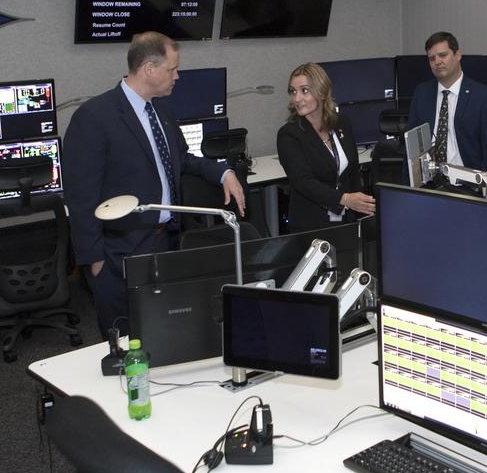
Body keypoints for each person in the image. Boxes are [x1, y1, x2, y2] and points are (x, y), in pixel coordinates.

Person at [64, 31, 245, 338]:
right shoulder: (94, 117)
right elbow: (81, 197)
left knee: (168, 334)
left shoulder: (161, 109)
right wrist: (94, 263)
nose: (178, 75)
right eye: (172, 69)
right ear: (149, 69)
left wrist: (222, 172)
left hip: (167, 243)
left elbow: (182, 159)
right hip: (119, 253)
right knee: (125, 345)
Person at [276, 63, 375, 233]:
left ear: (321, 91)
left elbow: (352, 171)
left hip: (346, 219)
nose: (297, 98)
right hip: (311, 225)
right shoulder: (289, 134)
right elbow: (303, 182)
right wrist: (344, 199)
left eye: (304, 90)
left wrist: (359, 209)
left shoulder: (341, 122)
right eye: (293, 91)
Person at [407, 31, 487, 185]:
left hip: (467, 187)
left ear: (457, 55)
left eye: (443, 55)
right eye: (432, 58)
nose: (437, 62)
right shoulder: (421, 93)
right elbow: (411, 147)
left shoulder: (483, 96)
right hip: (428, 185)